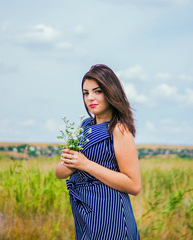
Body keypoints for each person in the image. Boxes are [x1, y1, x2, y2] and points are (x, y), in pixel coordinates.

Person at [55, 64, 141, 240]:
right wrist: (73, 161)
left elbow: (134, 185)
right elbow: (60, 172)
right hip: (85, 212)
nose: (90, 98)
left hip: (111, 214)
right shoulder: (85, 126)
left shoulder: (118, 130)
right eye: (86, 93)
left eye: (97, 91)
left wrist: (85, 164)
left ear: (110, 92)